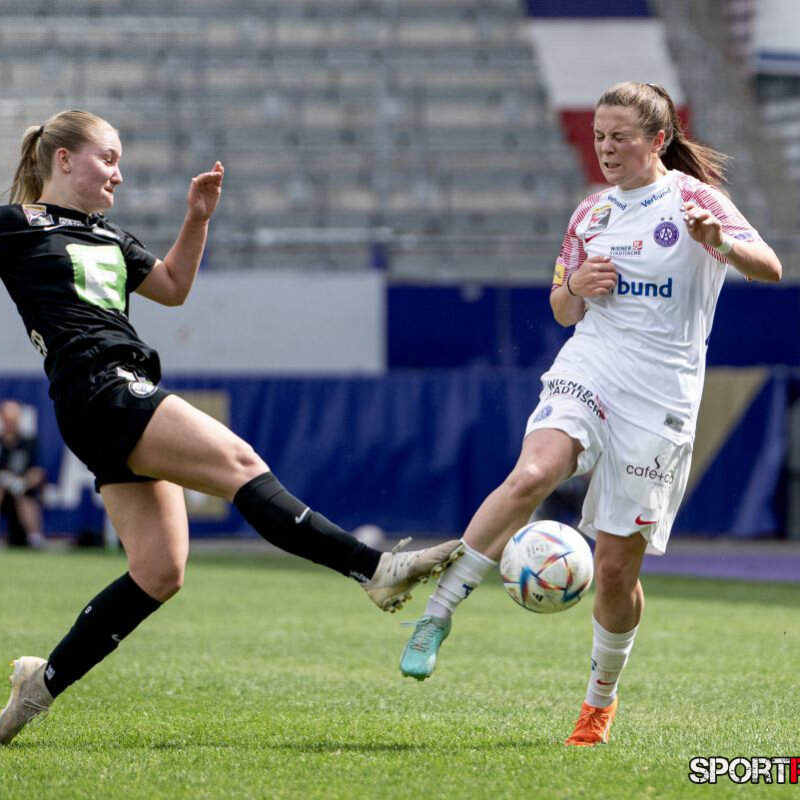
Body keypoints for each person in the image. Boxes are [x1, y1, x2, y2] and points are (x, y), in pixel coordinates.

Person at [0, 110, 462, 745]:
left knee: (159, 572)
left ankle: (37, 688)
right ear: (63, 160)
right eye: (108, 158)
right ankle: (374, 571)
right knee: (241, 464)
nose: (119, 173)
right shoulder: (15, 225)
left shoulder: (110, 236)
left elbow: (172, 287)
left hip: (110, 396)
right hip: (99, 388)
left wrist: (198, 218)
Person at [398, 82, 782, 746]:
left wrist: (720, 242)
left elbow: (771, 267)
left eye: (620, 137)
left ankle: (598, 701)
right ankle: (438, 611)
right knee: (531, 475)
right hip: (590, 368)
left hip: (660, 397)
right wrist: (573, 286)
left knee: (613, 570)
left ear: (657, 140)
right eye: (599, 136)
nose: (606, 148)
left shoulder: (695, 201)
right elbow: (563, 308)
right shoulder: (591, 213)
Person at [0, 399, 47, 549]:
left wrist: (22, 482)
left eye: (13, 420)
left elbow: (38, 471)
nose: (10, 424)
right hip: (2, 490)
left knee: (24, 495)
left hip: (22, 490)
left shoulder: (28, 442)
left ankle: (35, 537)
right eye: (7, 420)